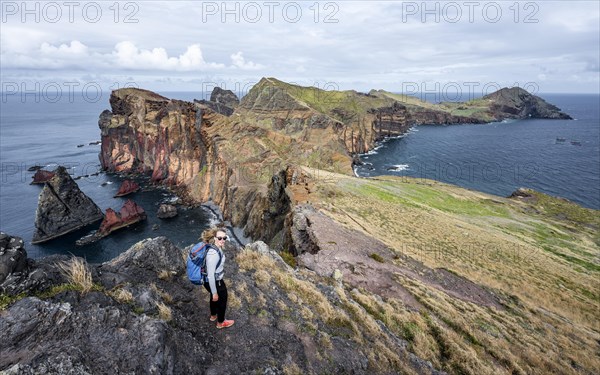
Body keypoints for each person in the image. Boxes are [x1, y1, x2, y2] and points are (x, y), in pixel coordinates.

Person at [201, 227, 235, 329]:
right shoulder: (213, 254)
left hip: (211, 280)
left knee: (213, 297)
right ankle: (221, 322)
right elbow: (211, 275)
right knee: (222, 300)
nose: (222, 240)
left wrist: (213, 292)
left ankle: (213, 315)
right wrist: (215, 291)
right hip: (215, 281)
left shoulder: (214, 247)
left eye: (224, 238)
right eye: (219, 238)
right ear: (214, 238)